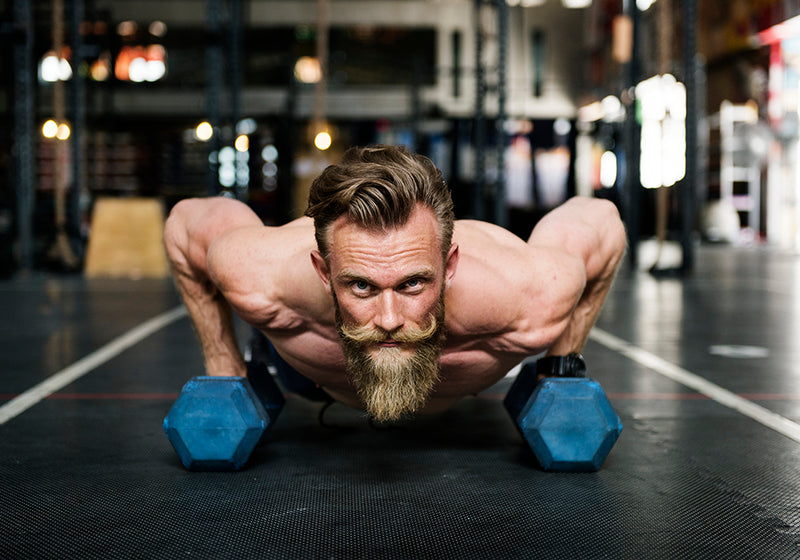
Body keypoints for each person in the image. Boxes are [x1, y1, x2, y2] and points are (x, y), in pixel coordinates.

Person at [164, 144, 626, 422]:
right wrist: (224, 369)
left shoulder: (529, 295)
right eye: (361, 287)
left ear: (449, 268)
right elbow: (186, 223)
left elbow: (600, 220)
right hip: (306, 375)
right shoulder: (261, 274)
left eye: (412, 285)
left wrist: (560, 366)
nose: (388, 320)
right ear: (324, 273)